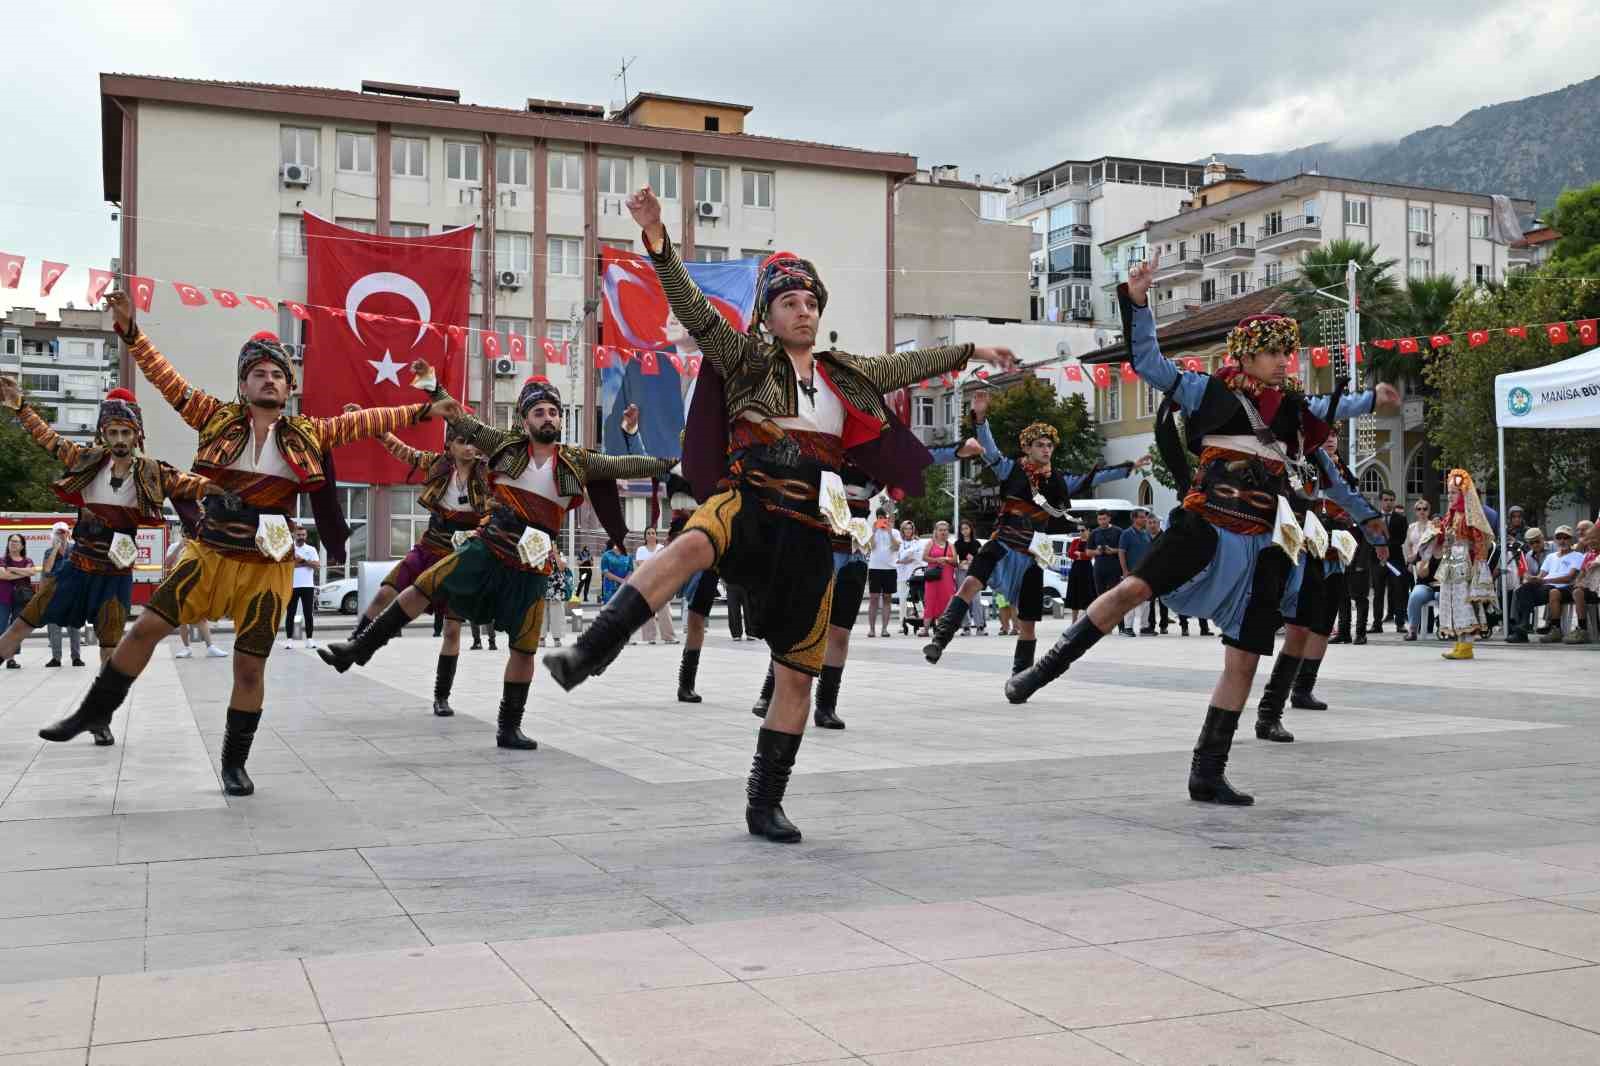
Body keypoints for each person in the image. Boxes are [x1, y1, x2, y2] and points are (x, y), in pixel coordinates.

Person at [544, 185, 1014, 843]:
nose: (804, 310)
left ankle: (765, 804)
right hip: (748, 503)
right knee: (686, 547)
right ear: (767, 314)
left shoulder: (844, 374)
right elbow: (694, 309)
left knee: (797, 673)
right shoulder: (743, 357)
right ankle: (590, 652)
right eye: (790, 301)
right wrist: (656, 237)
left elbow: (907, 364)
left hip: (808, 534)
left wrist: (970, 353)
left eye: (812, 301)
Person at [1005, 256, 1396, 805]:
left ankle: (1207, 770)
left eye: (1290, 352)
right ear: (1247, 355)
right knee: (1130, 590)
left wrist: (1375, 402)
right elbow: (1147, 360)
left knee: (1245, 658)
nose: (1286, 361)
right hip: (1205, 522)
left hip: (1266, 544)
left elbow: (1338, 411)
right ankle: (1041, 673)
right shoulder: (1206, 391)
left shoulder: (1295, 412)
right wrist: (1138, 301)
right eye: (1275, 352)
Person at [38, 292, 454, 792]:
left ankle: (234, 761)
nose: (269, 378)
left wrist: (427, 408)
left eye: (277, 373)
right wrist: (130, 332)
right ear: (242, 384)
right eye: (258, 372)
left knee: (250, 667)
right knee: (145, 628)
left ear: (290, 385)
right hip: (209, 553)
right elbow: (165, 379)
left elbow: (367, 420)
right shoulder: (213, 417)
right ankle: (93, 712)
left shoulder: (309, 433)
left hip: (267, 565)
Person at [318, 377, 672, 752]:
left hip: (532, 564)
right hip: (488, 547)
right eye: (539, 412)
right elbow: (461, 419)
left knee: (524, 647)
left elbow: (628, 464)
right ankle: (359, 649)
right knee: (424, 585)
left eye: (554, 411)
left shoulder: (577, 461)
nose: (548, 417)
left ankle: (509, 727)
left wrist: (674, 463)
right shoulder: (503, 445)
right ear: (524, 420)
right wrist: (432, 387)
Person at [0, 377, 223, 689]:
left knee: (109, 650)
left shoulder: (152, 473)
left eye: (126, 432)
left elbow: (191, 483)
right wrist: (21, 407)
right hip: (75, 569)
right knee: (20, 626)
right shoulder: (85, 461)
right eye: (113, 432)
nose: (119, 439)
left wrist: (228, 485)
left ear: (136, 435)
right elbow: (48, 439)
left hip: (115, 576)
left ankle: (100, 716)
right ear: (103, 434)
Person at [924, 388, 1140, 674]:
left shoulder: (1061, 481)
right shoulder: (1010, 470)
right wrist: (980, 417)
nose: (1046, 449)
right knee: (968, 586)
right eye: (1039, 444)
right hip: (1001, 543)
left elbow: (1094, 477)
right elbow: (989, 450)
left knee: (1028, 623)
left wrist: (1127, 468)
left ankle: (1021, 677)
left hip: (1031, 553)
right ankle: (939, 641)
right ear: (1027, 448)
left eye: (1049, 445)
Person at [1253, 434, 1383, 742]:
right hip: (1290, 546)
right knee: (1273, 626)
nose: (1329, 441)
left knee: (1320, 621)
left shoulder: (1334, 470)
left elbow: (1351, 500)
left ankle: (1298, 691)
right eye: (1321, 435)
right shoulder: (1282, 458)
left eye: (1333, 436)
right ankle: (1267, 711)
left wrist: (1373, 532)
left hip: (1331, 549)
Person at [363, 422, 491, 716]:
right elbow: (404, 452)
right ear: (450, 446)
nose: (469, 447)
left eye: (473, 442)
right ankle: (357, 643)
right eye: (462, 441)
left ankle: (441, 696)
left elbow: (498, 505)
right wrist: (378, 430)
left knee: (452, 630)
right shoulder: (437, 464)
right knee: (386, 591)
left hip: (463, 555)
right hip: (431, 544)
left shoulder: (487, 472)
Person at [1422, 468, 1498, 660]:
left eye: (1454, 492)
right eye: (1448, 493)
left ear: (1464, 493)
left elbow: (1481, 542)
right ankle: (1459, 643)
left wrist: (1477, 564)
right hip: (1451, 562)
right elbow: (1444, 536)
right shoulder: (1451, 515)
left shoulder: (1470, 516)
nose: (1450, 496)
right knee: (1450, 602)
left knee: (1464, 602)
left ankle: (1467, 645)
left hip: (1464, 563)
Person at [163, 526, 226, 660]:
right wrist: (180, 547)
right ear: (182, 534)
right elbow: (167, 563)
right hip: (179, 586)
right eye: (185, 533)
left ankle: (210, 647)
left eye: (190, 533)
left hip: (196, 586)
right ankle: (187, 648)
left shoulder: (199, 546)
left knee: (201, 616)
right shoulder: (175, 546)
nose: (188, 536)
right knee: (181, 619)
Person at [40, 523, 84, 668]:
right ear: (54, 534)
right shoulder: (48, 551)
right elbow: (47, 570)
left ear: (68, 534)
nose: (62, 535)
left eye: (64, 532)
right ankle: (56, 658)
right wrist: (55, 550)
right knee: (54, 628)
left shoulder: (74, 549)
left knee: (74, 628)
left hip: (72, 593)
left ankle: (76, 657)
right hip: (54, 593)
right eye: (58, 533)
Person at [1370, 490, 1409, 633]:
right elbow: (1371, 537)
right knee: (1378, 593)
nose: (1389, 503)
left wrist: (1386, 548)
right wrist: (1379, 551)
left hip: (1395, 561)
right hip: (1377, 561)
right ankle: (1376, 624)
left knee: (1398, 591)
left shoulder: (1401, 518)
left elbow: (1401, 539)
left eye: (1391, 500)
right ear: (1381, 501)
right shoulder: (1374, 518)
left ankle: (1400, 623)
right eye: (1386, 500)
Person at [1403, 498, 1439, 641]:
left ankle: (1442, 627)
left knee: (1440, 595)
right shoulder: (1412, 527)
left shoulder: (1434, 527)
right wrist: (1409, 561)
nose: (1422, 511)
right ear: (1415, 511)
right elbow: (1407, 545)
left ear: (1429, 511)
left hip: (1433, 568)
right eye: (1419, 509)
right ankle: (1412, 630)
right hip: (1420, 566)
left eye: (1425, 509)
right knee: (1415, 595)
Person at [633, 528, 677, 645]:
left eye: (653, 533)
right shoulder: (640, 549)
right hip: (646, 584)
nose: (651, 535)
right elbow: (641, 566)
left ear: (656, 535)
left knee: (665, 611)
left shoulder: (661, 548)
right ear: (645, 536)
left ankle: (669, 637)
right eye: (648, 533)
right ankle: (649, 638)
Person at [1087, 510, 1127, 632]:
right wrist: (1097, 552)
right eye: (1100, 519)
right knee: (1100, 599)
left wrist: (1112, 551)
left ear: (1109, 518)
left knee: (1116, 598)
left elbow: (1123, 549)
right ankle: (1104, 626)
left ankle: (1121, 626)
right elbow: (1088, 552)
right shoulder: (1094, 533)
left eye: (1104, 519)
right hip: (1099, 568)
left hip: (1114, 568)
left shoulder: (1118, 531)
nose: (1102, 521)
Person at [281, 524, 320, 650]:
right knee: (290, 613)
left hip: (308, 586)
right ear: (294, 535)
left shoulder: (311, 549)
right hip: (292, 586)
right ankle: (289, 640)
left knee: (308, 613)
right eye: (299, 535)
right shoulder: (288, 549)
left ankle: (309, 639)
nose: (301, 537)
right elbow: (286, 566)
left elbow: (317, 565)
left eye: (303, 535)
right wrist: (307, 563)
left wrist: (301, 561)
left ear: (306, 536)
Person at [0, 533, 36, 669]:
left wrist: (13, 570)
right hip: (3, 598)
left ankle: (11, 659)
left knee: (16, 629)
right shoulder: (2, 559)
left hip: (21, 600)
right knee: (2, 627)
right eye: (11, 541)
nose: (12, 544)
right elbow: (2, 574)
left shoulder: (28, 560)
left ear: (22, 545)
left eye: (16, 542)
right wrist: (22, 572)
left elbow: (32, 572)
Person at [865, 509, 901, 638]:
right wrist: (874, 531)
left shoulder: (895, 532)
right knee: (874, 598)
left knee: (887, 598)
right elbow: (871, 546)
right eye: (880, 518)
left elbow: (896, 547)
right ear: (877, 518)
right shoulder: (873, 531)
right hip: (875, 568)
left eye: (885, 517)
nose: (883, 520)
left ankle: (884, 629)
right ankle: (872, 629)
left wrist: (890, 532)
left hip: (890, 569)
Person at [1118, 510, 1155, 636]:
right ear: (1134, 519)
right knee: (1130, 600)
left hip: (1146, 572)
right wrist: (1124, 570)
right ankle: (1127, 627)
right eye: (1142, 517)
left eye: (1145, 517)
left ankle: (1144, 627)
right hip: (1132, 572)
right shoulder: (1126, 534)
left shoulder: (1146, 534)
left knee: (1147, 601)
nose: (1145, 520)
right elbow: (1121, 552)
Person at [954, 520, 989, 634]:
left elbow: (982, 558)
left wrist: (973, 560)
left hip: (974, 572)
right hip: (962, 572)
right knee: (963, 599)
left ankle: (980, 626)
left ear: (971, 529)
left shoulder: (977, 543)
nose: (964, 531)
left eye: (966, 528)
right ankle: (965, 626)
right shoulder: (957, 543)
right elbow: (955, 560)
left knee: (976, 599)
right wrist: (960, 563)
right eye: (962, 529)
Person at [896, 519, 926, 636]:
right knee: (903, 600)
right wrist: (906, 559)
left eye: (910, 528)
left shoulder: (917, 542)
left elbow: (918, 557)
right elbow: (897, 559)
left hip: (915, 575)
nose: (908, 530)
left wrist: (907, 559)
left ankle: (923, 619)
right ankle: (901, 623)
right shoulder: (899, 543)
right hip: (902, 575)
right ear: (902, 530)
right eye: (906, 528)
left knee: (917, 599)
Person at [541, 549, 572, 647]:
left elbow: (562, 567)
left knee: (557, 615)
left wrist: (555, 553)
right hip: (542, 587)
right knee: (541, 614)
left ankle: (557, 638)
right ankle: (541, 638)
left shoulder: (560, 554)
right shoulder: (540, 553)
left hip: (557, 590)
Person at [1064, 532, 1094, 624]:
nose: (1081, 532)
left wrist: (1079, 554)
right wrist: (1082, 555)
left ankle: (1086, 620)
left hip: (1087, 569)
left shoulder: (1091, 541)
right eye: (1080, 531)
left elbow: (1089, 555)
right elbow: (1070, 554)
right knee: (1075, 593)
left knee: (1087, 593)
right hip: (1076, 569)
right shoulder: (1075, 541)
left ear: (1088, 530)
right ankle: (1074, 620)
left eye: (1083, 530)